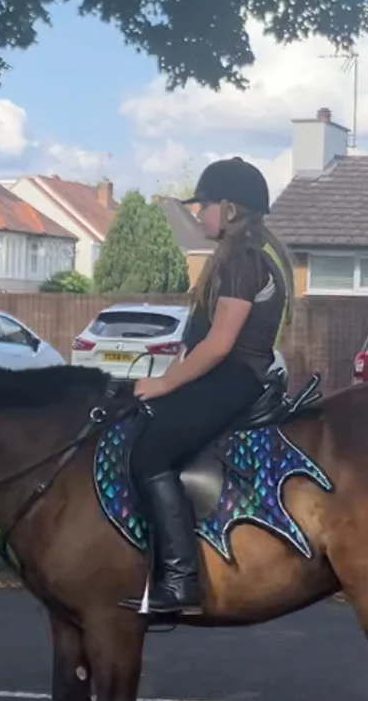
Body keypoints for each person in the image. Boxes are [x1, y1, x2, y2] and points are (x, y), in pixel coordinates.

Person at [123, 156, 294, 618]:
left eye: (205, 205)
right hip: (227, 377)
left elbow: (219, 344)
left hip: (233, 380)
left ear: (230, 208)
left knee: (149, 453)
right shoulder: (240, 256)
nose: (199, 213)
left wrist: (165, 384)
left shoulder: (241, 260)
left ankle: (180, 579)